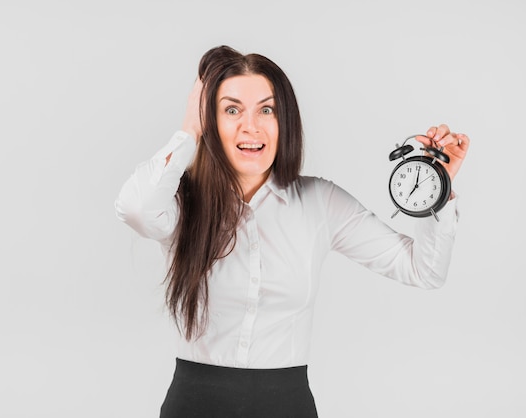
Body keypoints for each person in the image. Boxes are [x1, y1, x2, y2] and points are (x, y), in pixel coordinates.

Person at [115, 45, 470, 418]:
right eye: (231, 110)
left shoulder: (319, 202)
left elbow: (424, 270)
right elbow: (135, 208)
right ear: (210, 121)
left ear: (285, 121)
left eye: (266, 110)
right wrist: (189, 131)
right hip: (193, 405)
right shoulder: (183, 202)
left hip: (286, 406)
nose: (250, 126)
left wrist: (437, 188)